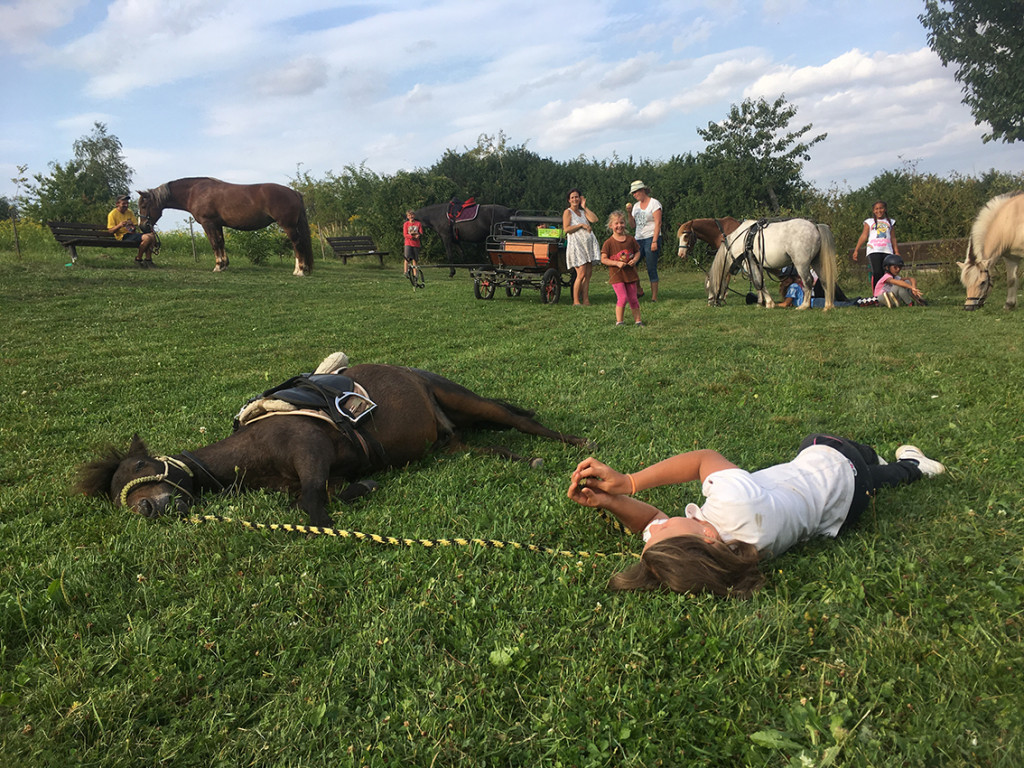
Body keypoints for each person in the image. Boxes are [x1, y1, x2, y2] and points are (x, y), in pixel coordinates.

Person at [567, 435, 945, 598]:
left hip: (844, 513)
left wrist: (607, 501)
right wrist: (629, 482)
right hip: (832, 465)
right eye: (662, 530)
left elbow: (651, 522)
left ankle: (910, 469)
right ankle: (897, 462)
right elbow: (702, 458)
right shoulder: (735, 506)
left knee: (875, 481)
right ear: (706, 536)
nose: (653, 528)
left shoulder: (730, 550)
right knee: (823, 442)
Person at [600, 211, 644, 326]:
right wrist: (616, 263)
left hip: (630, 274)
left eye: (622, 222)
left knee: (633, 298)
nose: (619, 225)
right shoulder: (608, 243)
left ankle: (638, 321)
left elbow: (637, 252)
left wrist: (634, 260)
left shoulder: (630, 239)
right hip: (617, 276)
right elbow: (603, 259)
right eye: (616, 223)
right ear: (611, 226)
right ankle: (619, 321)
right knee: (623, 298)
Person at [562, 189, 602, 306]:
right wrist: (581, 225)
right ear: (569, 200)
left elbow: (595, 219)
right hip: (576, 245)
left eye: (577, 197)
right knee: (581, 273)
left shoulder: (582, 212)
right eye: (572, 197)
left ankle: (586, 300)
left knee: (588, 274)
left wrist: (585, 207)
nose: (575, 199)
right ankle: (576, 301)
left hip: (587, 246)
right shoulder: (568, 212)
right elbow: (567, 229)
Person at [625, 180, 663, 301]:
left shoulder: (654, 203)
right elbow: (632, 225)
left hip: (651, 237)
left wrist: (655, 241)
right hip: (638, 239)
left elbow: (658, 222)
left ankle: (654, 297)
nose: (634, 195)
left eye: (636, 192)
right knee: (631, 263)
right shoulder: (635, 206)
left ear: (642, 190)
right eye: (633, 193)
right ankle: (639, 289)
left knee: (651, 267)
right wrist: (629, 213)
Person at [851, 201, 900, 291]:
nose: (879, 210)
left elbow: (893, 238)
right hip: (874, 250)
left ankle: (888, 292)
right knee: (877, 272)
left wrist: (896, 251)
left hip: (887, 250)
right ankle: (877, 294)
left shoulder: (890, 222)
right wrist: (856, 250)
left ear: (885, 209)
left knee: (887, 273)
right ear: (873, 211)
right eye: (876, 209)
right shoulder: (869, 222)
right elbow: (864, 236)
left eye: (881, 208)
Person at [107, 194, 157, 267]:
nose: (126, 205)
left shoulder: (129, 212)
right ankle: (138, 259)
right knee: (147, 238)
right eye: (123, 203)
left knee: (152, 236)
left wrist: (132, 226)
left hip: (131, 234)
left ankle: (148, 260)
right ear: (117, 204)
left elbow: (135, 225)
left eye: (127, 203)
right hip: (122, 236)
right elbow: (110, 231)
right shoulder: (112, 214)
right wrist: (120, 225)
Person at [402, 209, 423, 276]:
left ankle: (415, 273)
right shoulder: (406, 224)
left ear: (414, 215)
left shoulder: (418, 223)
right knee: (407, 257)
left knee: (415, 259)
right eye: (409, 215)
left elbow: (421, 232)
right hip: (408, 243)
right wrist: (412, 236)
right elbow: (405, 234)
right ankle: (405, 272)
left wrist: (418, 235)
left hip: (416, 244)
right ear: (407, 217)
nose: (411, 216)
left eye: (412, 215)